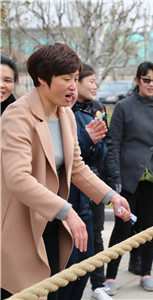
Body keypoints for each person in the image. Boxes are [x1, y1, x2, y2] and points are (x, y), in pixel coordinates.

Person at [0, 43, 131, 299]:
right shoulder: (17, 115)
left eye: (75, 78)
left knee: (58, 287)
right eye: (65, 79)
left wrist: (110, 196)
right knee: (23, 290)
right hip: (22, 222)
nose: (73, 85)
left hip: (53, 221)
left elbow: (77, 168)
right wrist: (67, 211)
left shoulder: (66, 115)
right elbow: (18, 178)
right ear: (42, 79)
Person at [105, 61, 153, 294]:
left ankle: (146, 273)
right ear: (137, 80)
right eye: (146, 79)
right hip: (128, 177)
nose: (151, 84)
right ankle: (110, 277)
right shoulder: (123, 107)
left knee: (149, 228)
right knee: (122, 228)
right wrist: (115, 177)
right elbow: (114, 145)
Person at [58, 63, 116, 300]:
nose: (93, 86)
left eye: (75, 80)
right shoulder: (58, 113)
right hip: (64, 200)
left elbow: (95, 156)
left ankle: (98, 284)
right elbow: (63, 161)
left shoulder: (96, 109)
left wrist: (111, 192)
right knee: (65, 268)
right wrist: (86, 138)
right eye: (89, 81)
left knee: (91, 246)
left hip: (88, 191)